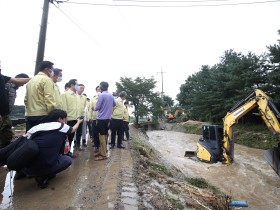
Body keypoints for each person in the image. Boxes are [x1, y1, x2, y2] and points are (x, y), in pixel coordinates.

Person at [23, 109, 83, 189]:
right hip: (43, 166)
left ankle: (31, 173)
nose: (65, 121)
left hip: (26, 168)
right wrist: (78, 122)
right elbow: (73, 129)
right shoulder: (61, 126)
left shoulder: (36, 127)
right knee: (68, 160)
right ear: (60, 119)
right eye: (65, 119)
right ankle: (45, 175)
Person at [0, 64, 31, 148]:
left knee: (7, 135)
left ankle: (3, 152)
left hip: (6, 114)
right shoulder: (7, 84)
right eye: (23, 82)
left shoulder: (12, 87)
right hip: (2, 114)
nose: (23, 84)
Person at [24, 61, 56, 131]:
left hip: (30, 114)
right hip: (43, 115)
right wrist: (53, 114)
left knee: (31, 137)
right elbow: (49, 98)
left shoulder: (31, 81)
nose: (52, 72)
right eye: (52, 69)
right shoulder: (47, 80)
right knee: (42, 137)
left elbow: (26, 99)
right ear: (47, 69)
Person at [94, 81, 116, 161]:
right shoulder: (111, 95)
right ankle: (103, 151)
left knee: (101, 136)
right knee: (105, 135)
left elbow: (96, 107)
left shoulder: (101, 95)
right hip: (108, 119)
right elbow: (114, 104)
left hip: (101, 119)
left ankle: (103, 155)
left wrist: (94, 106)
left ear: (101, 87)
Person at [61, 79, 80, 158]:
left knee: (71, 137)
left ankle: (68, 152)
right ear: (72, 85)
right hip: (68, 119)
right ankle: (62, 153)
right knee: (65, 137)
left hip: (75, 119)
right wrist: (64, 120)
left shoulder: (77, 96)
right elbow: (64, 108)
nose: (78, 86)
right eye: (77, 84)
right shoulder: (65, 94)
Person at [89, 86, 101, 153]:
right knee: (95, 132)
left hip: (102, 119)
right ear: (96, 91)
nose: (99, 90)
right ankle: (96, 146)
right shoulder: (93, 99)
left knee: (102, 133)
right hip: (94, 118)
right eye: (98, 89)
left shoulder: (104, 98)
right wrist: (90, 117)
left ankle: (102, 146)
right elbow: (91, 108)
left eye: (100, 89)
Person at [75, 84, 87, 150]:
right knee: (72, 131)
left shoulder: (84, 97)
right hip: (74, 116)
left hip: (81, 116)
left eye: (83, 88)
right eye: (81, 88)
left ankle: (78, 145)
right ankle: (73, 144)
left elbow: (84, 106)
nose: (82, 89)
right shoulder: (74, 96)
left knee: (79, 132)